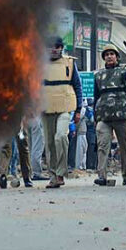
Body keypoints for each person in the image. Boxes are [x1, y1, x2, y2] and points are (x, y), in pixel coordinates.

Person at [41, 37, 82, 189]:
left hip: (65, 107)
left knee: (60, 137)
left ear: (61, 48)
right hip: (46, 108)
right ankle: (53, 176)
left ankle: (61, 173)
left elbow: (77, 86)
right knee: (50, 144)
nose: (54, 49)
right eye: (51, 46)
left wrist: (78, 110)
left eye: (57, 46)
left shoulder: (69, 63)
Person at [93, 44, 126, 186]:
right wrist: (95, 116)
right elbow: (96, 96)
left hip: (120, 115)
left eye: (112, 54)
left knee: (124, 146)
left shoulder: (124, 71)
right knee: (102, 146)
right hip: (104, 116)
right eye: (106, 54)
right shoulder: (98, 75)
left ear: (117, 57)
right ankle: (102, 176)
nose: (109, 56)